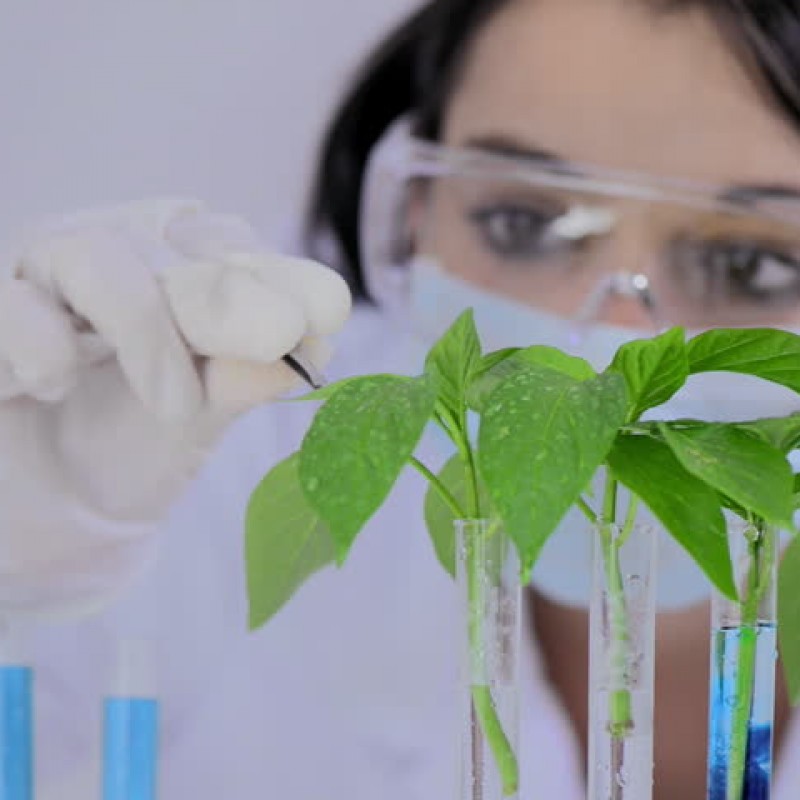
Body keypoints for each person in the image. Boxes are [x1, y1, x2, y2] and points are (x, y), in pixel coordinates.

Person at [3, 0, 800, 798]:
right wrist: (33, 562)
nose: (616, 348)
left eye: (755, 265)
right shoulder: (224, 432)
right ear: (411, 216)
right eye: (521, 220)